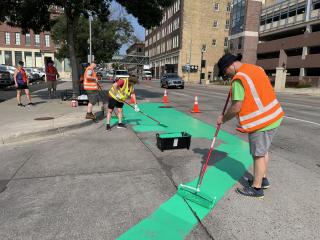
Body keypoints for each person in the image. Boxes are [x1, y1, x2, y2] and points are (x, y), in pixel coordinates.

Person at [216, 54, 284, 199]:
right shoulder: (256, 68)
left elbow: (236, 107)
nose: (226, 76)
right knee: (263, 150)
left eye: (225, 72)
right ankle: (262, 179)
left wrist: (223, 119)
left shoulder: (239, 79)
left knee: (258, 154)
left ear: (230, 66)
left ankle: (257, 188)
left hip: (261, 122)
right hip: (273, 116)